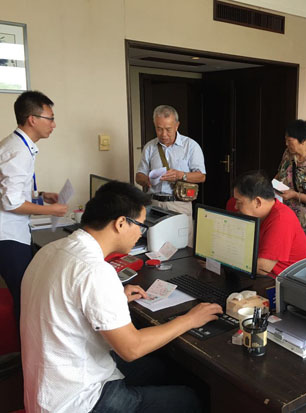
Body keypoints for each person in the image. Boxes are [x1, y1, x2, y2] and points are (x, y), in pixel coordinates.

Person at [20, 181, 222, 412]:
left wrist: (115, 297)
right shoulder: (94, 271)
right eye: (141, 226)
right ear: (121, 223)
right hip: (80, 401)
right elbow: (131, 349)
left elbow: (66, 301)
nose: (140, 234)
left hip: (49, 387)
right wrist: (190, 319)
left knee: (160, 368)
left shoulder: (51, 249)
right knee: (190, 399)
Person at [0, 90, 68, 321]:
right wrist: (52, 210)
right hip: (8, 236)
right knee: (26, 298)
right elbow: (11, 202)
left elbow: (9, 189)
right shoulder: (19, 151)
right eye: (50, 118)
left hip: (11, 232)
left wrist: (40, 195)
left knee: (26, 294)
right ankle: (26, 343)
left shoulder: (15, 144)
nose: (53, 124)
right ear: (32, 119)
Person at [136, 105, 205, 243]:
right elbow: (139, 176)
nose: (163, 134)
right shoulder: (150, 147)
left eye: (168, 129)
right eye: (159, 129)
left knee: (182, 246)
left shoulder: (190, 146)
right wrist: (147, 180)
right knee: (155, 245)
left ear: (177, 125)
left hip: (179, 204)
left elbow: (201, 176)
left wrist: (181, 175)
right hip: (154, 204)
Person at [233, 171, 306, 277]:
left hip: (288, 282)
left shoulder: (282, 219)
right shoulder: (259, 215)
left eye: (239, 202)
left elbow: (262, 268)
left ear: (257, 202)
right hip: (267, 277)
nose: (235, 207)